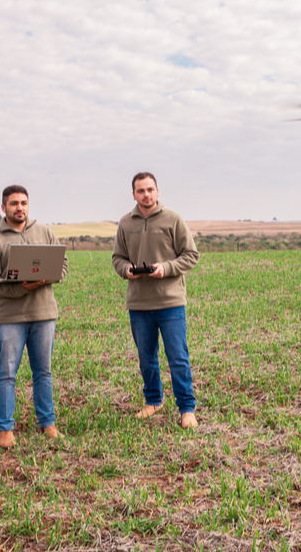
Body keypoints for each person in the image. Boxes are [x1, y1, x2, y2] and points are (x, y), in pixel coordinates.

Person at [0, 185, 68, 447]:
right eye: (14, 203)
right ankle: (5, 429)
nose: (20, 207)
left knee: (43, 372)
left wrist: (48, 276)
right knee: (7, 373)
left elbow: (62, 266)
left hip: (44, 314)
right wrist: (21, 288)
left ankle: (47, 424)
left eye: (24, 203)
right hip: (10, 318)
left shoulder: (44, 232)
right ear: (3, 207)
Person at [111, 172, 200, 428]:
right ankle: (153, 401)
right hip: (139, 304)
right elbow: (117, 258)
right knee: (146, 357)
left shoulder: (173, 219)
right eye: (141, 191)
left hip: (170, 302)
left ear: (157, 191)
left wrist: (166, 268)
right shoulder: (125, 223)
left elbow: (191, 255)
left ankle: (186, 408)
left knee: (178, 357)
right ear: (134, 195)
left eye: (150, 189)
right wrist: (126, 270)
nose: (146, 194)